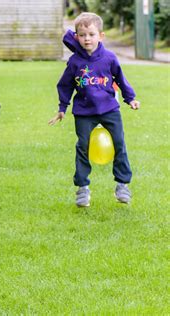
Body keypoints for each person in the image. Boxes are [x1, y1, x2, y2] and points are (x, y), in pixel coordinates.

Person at [48, 12, 140, 207]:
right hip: (84, 112)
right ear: (76, 37)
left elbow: (121, 79)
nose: (87, 38)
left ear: (101, 36)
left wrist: (130, 98)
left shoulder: (109, 58)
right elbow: (65, 85)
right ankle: (82, 188)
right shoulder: (74, 62)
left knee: (119, 144)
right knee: (82, 146)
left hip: (109, 109)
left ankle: (122, 185)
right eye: (82, 35)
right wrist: (62, 108)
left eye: (91, 34)